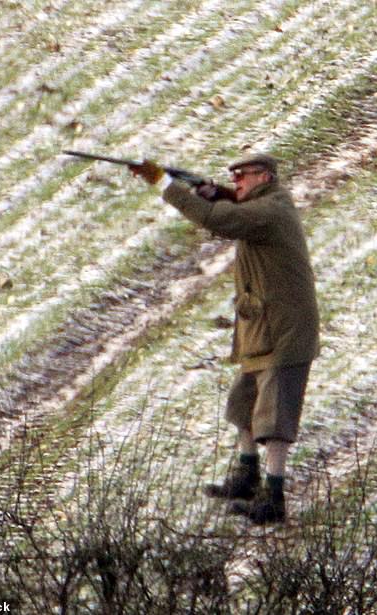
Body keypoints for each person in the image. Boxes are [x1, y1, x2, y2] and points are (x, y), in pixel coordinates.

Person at [132, 153, 320, 524]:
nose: (237, 182)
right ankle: (247, 478)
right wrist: (213, 192)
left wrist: (165, 184)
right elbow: (231, 206)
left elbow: (219, 219)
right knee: (243, 406)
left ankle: (274, 497)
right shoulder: (265, 203)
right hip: (263, 327)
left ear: (264, 176)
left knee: (274, 418)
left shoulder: (270, 211)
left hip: (284, 331)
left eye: (243, 176)